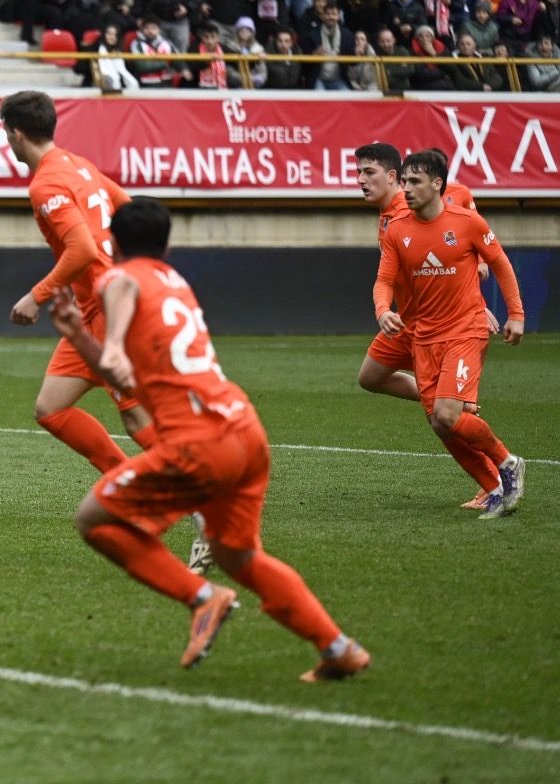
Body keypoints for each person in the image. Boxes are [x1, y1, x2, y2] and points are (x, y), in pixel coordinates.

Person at [47, 197, 371, 682]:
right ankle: (339, 648)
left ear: (111, 242)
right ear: (168, 244)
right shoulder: (176, 284)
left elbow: (117, 359)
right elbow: (137, 379)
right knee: (237, 555)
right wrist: (79, 334)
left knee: (94, 520)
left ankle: (203, 597)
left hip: (199, 445)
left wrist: (107, 344)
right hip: (245, 432)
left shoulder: (118, 278)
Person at [0, 90, 211, 572]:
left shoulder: (46, 184)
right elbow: (128, 208)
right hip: (96, 306)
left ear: (14, 132)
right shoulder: (76, 163)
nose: (5, 141)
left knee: (138, 420)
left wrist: (39, 295)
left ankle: (200, 507)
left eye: (4, 132)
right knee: (51, 409)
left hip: (111, 312)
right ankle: (136, 488)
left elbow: (81, 248)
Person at [374, 151, 527, 519]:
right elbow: (383, 280)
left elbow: (500, 264)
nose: (406, 189)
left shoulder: (467, 222)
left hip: (465, 330)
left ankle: (508, 462)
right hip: (423, 337)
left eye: (414, 182)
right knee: (440, 425)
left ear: (437, 185)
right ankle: (493, 490)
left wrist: (516, 314)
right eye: (405, 181)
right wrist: (383, 311)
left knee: (446, 414)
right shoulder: (397, 229)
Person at [353, 142, 497, 508]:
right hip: (405, 323)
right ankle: (443, 396)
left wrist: (477, 272)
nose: (360, 180)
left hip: (438, 327)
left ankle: (493, 481)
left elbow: (461, 199)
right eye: (358, 173)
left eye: (368, 173)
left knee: (443, 420)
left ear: (392, 177)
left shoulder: (414, 205)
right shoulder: (389, 216)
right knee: (370, 377)